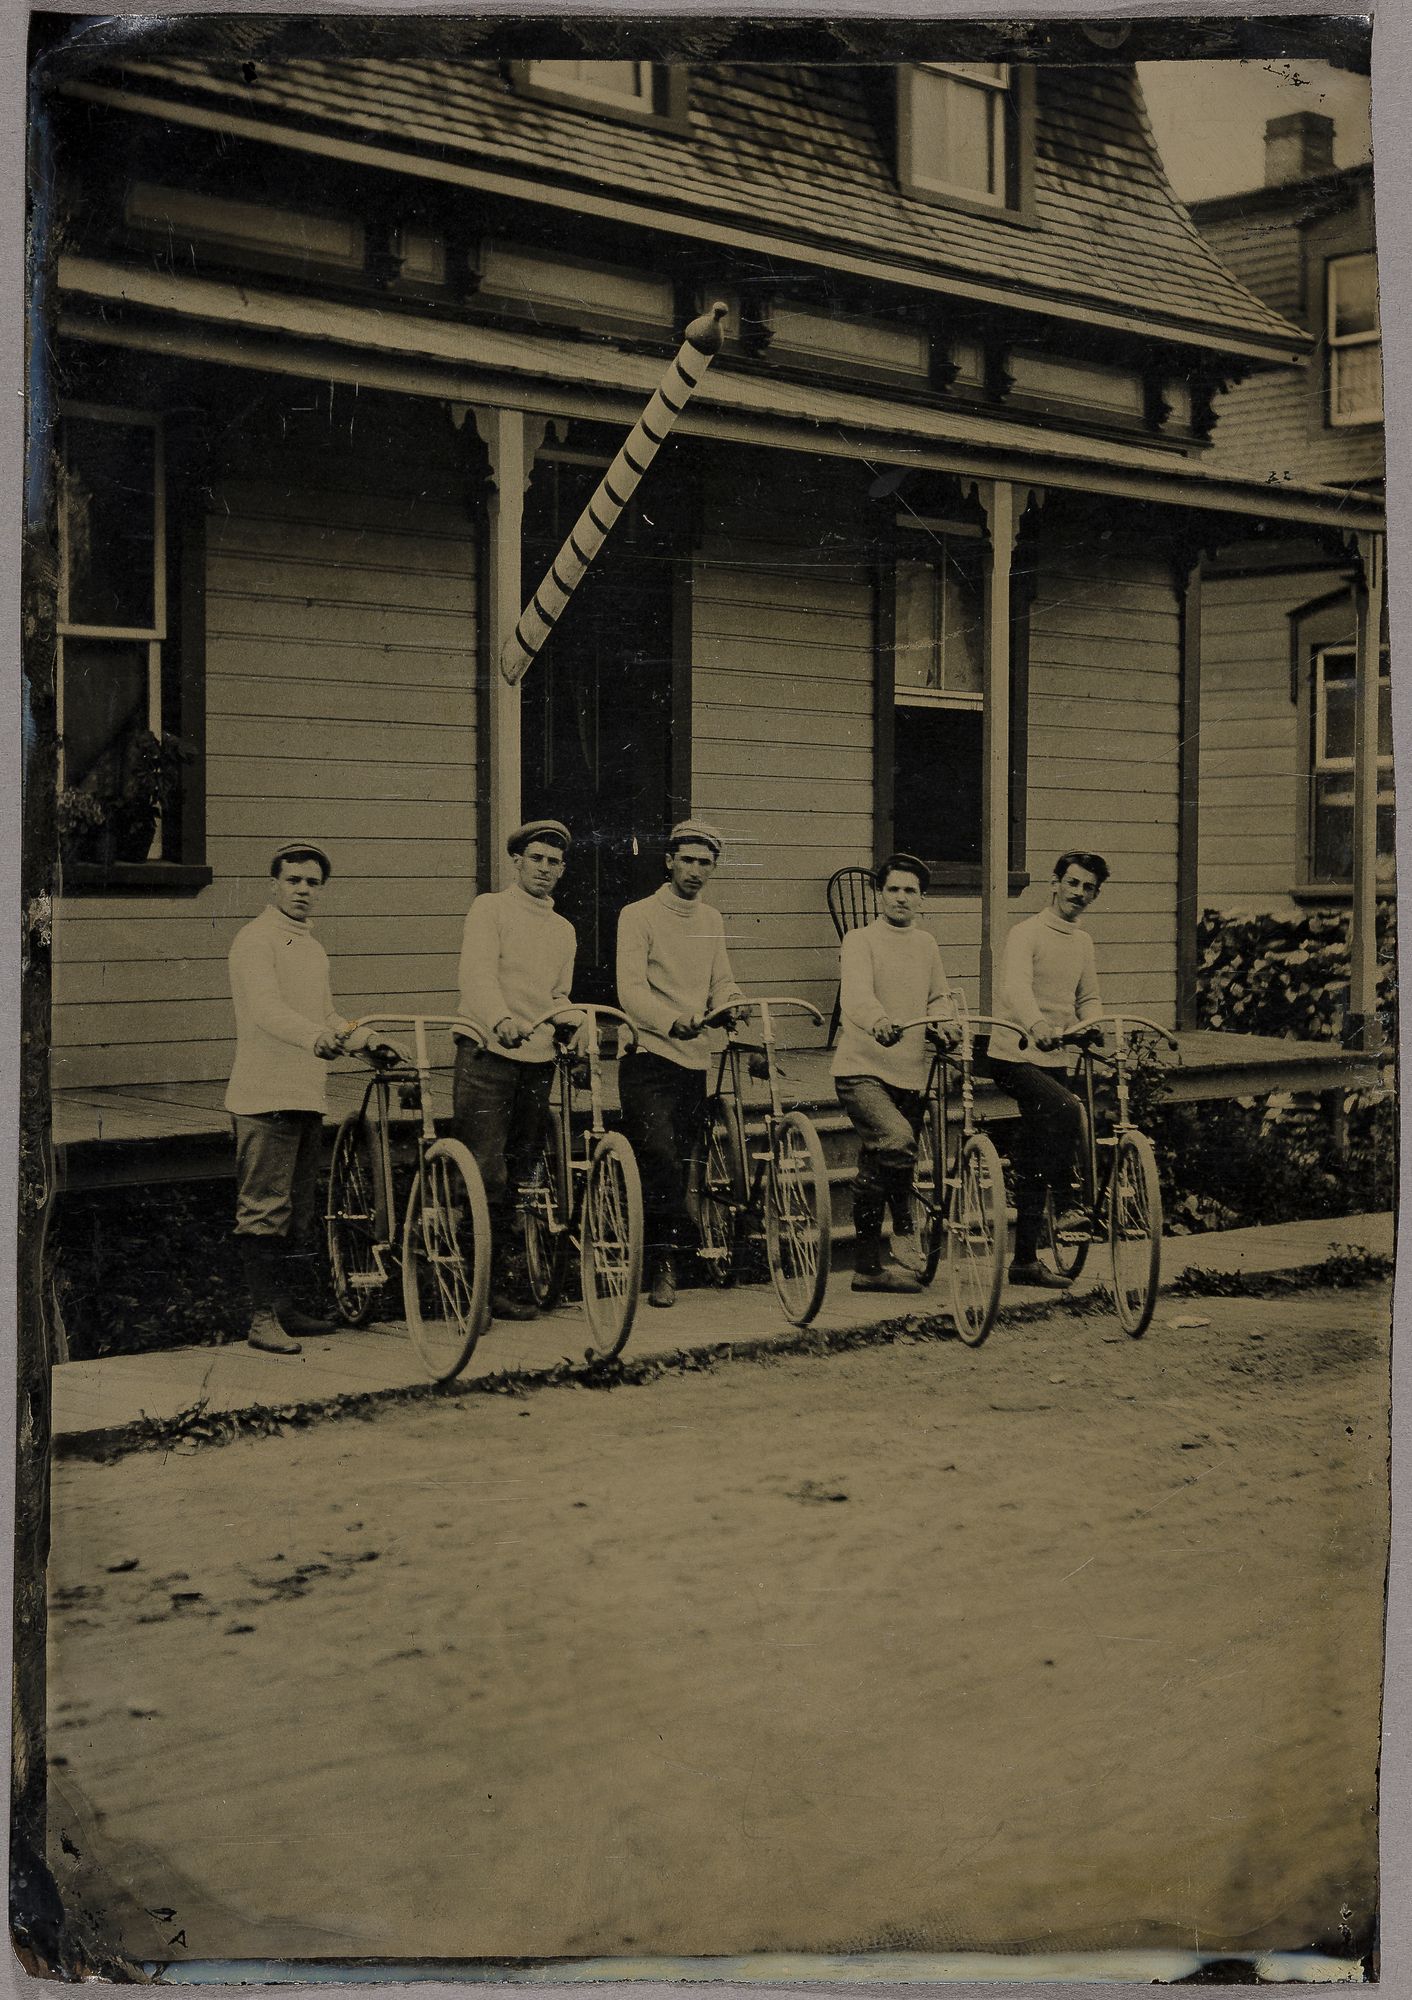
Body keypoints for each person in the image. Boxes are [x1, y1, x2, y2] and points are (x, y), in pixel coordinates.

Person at [225, 841, 380, 1356]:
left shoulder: (312, 948)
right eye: (293, 880)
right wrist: (316, 1038)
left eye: (313, 883)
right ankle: (261, 1319)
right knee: (264, 1210)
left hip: (305, 1094)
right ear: (274, 884)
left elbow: (327, 1016)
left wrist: (366, 1039)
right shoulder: (255, 940)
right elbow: (266, 1009)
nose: (303, 890)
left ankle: (285, 1307)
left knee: (298, 1211)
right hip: (263, 1096)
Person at [616, 819, 746, 1310]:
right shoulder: (638, 916)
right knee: (660, 1156)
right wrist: (672, 1022)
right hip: (647, 1057)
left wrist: (730, 1001)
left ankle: (681, 1248)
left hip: (693, 1059)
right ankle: (662, 1263)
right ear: (669, 861)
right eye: (687, 860)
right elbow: (631, 991)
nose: (695, 870)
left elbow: (721, 980)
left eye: (705, 863)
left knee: (686, 1161)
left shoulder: (711, 919)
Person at [454, 819, 580, 1322]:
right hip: (488, 1052)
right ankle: (473, 1290)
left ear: (562, 870)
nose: (544, 868)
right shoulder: (490, 909)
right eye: (536, 859)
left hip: (536, 1061)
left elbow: (557, 995)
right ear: (517, 862)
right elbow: (476, 975)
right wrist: (499, 1019)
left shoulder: (563, 929)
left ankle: (498, 1284)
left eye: (554, 862)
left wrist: (574, 1022)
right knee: (484, 1170)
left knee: (518, 1172)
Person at [832, 853, 957, 1293]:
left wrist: (944, 1022)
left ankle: (867, 1269)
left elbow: (938, 996)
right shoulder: (860, 940)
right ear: (879, 894)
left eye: (910, 891)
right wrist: (879, 1020)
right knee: (899, 1140)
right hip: (861, 1068)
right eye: (893, 889)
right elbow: (855, 995)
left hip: (909, 1072)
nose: (901, 897)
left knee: (878, 1164)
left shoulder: (926, 945)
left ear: (922, 899)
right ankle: (904, 1226)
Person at [986, 850, 1109, 1288]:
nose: (1078, 893)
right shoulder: (1026, 933)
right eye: (1072, 883)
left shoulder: (1082, 942)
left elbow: (1087, 997)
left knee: (1037, 1153)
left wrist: (1091, 1025)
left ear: (1095, 895)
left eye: (1088, 887)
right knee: (1068, 1108)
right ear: (1054, 884)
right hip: (1014, 1054)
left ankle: (1024, 1261)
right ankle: (1071, 1201)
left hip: (1054, 1057)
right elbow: (1015, 988)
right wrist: (1036, 1024)